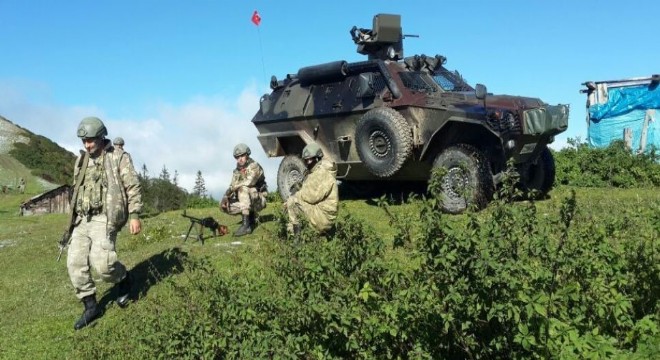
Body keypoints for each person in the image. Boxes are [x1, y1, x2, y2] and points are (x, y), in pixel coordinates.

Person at [67, 116, 143, 330]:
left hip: (104, 218)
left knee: (104, 264)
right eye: (84, 141)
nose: (87, 145)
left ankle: (123, 278)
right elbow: (77, 189)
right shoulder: (81, 161)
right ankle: (90, 305)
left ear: (101, 137)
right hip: (82, 219)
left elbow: (133, 186)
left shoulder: (118, 157)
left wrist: (135, 215)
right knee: (75, 264)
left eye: (90, 140)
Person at [284, 142, 338, 235]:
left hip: (322, 218)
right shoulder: (320, 170)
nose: (307, 163)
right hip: (326, 216)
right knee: (292, 205)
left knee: (292, 202)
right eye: (306, 160)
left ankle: (297, 240)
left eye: (309, 160)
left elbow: (311, 197)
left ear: (317, 158)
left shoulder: (320, 173)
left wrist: (296, 194)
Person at [220, 143, 267, 237]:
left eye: (242, 156)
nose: (240, 159)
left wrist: (234, 188)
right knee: (223, 205)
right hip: (246, 201)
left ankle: (246, 225)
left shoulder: (254, 166)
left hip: (259, 200)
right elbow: (232, 185)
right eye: (237, 157)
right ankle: (250, 217)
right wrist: (226, 196)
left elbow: (249, 182)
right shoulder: (237, 171)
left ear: (247, 154)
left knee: (242, 189)